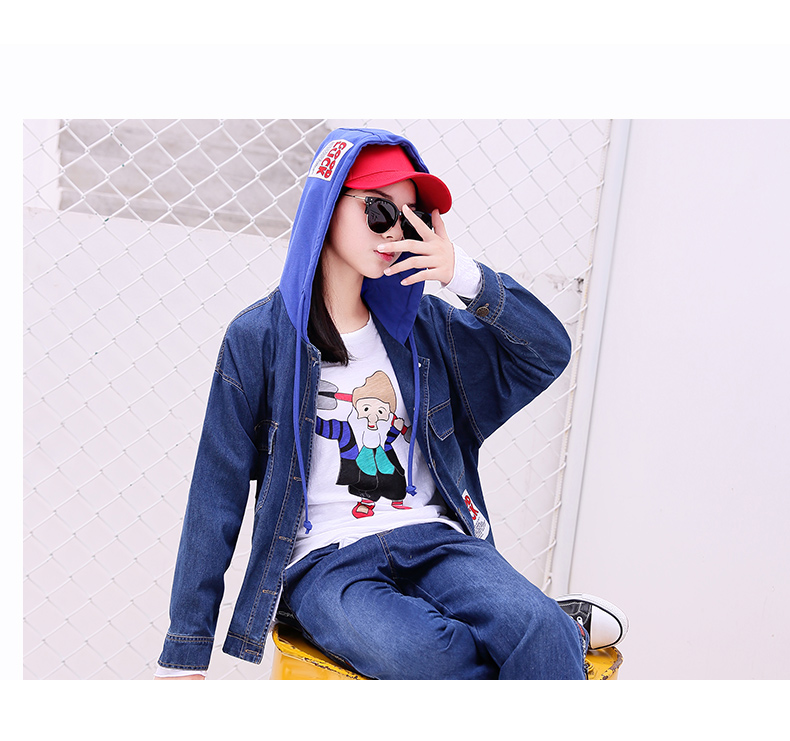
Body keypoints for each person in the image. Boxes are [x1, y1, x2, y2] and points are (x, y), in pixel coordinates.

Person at [155, 127, 628, 680]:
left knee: (541, 629)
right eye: (379, 211)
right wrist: (185, 653)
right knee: (427, 654)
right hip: (327, 561)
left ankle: (558, 629)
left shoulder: (427, 327)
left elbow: (547, 352)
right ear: (328, 206)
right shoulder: (258, 339)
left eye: (411, 217)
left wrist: (461, 273)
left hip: (433, 539)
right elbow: (216, 492)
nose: (395, 232)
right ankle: (561, 636)